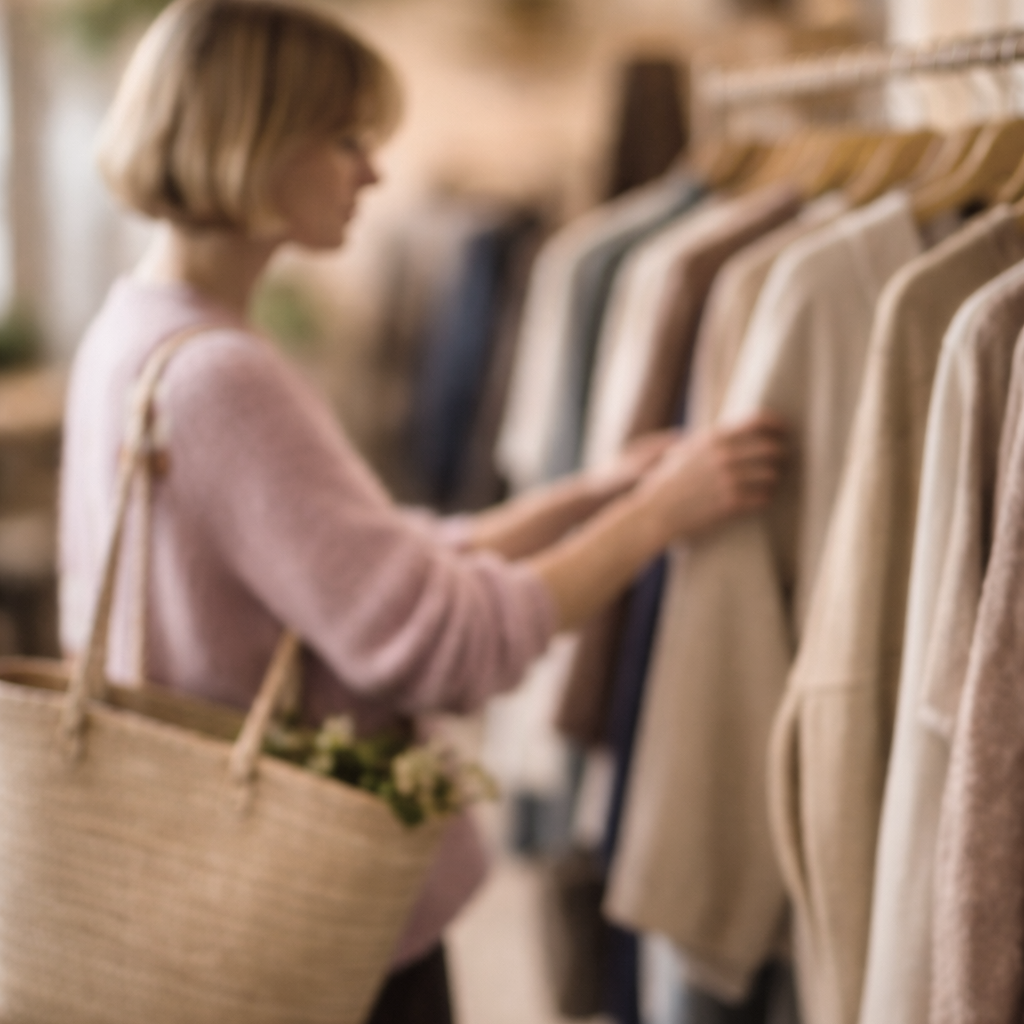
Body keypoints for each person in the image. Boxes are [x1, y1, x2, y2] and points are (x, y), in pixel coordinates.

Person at [57, 1, 788, 1020]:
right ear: (255, 143)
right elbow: (441, 642)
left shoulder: (137, 330)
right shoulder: (224, 378)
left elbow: (356, 569)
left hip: (215, 873)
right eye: (348, 138)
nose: (375, 172)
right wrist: (659, 516)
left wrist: (589, 495)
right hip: (307, 901)